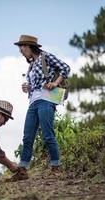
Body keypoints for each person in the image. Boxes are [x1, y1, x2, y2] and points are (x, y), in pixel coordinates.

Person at [10, 35, 70, 181]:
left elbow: (65, 68)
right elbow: (36, 84)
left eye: (22, 48)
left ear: (29, 46)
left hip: (46, 99)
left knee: (48, 135)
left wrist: (55, 83)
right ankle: (23, 170)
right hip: (33, 101)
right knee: (27, 137)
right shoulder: (31, 65)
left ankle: (56, 168)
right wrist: (28, 87)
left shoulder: (46, 56)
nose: (21, 52)